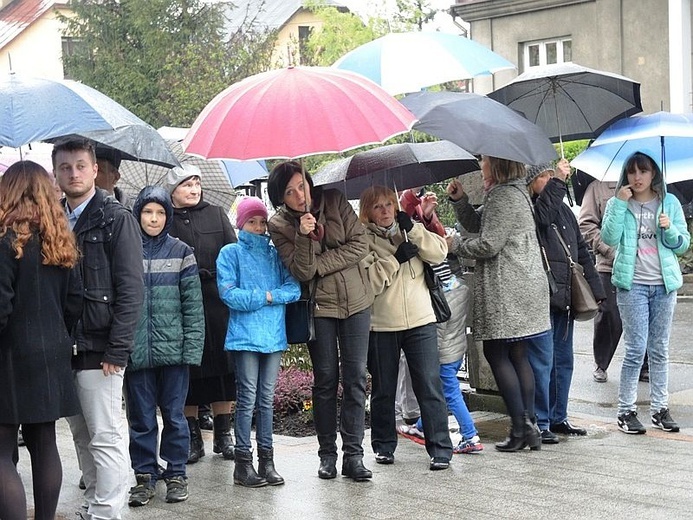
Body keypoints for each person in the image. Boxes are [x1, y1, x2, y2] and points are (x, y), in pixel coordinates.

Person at [52, 138, 145, 520]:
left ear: (95, 170)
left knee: (105, 436)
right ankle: (94, 503)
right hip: (64, 346)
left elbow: (131, 289)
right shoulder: (53, 217)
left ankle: (108, 511)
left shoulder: (115, 217)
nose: (73, 173)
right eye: (65, 167)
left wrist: (117, 349)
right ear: (55, 173)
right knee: (81, 436)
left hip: (101, 346)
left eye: (80, 166)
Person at [267, 161, 374, 482]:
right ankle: (327, 454)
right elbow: (301, 271)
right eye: (290, 192)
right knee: (326, 380)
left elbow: (360, 244)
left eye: (302, 186)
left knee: (355, 377)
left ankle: (354, 455)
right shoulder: (279, 225)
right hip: (319, 309)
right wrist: (303, 237)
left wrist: (321, 264)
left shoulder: (335, 200)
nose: (300, 195)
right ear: (280, 198)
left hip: (357, 300)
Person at [447, 155, 550, 452]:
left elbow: (489, 243)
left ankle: (521, 426)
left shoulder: (505, 195)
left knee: (496, 350)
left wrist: (455, 245)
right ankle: (527, 427)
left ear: (499, 165)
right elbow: (481, 223)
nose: (481, 166)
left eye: (485, 161)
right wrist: (461, 201)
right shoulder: (512, 192)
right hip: (521, 284)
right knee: (517, 353)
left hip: (509, 286)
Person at [0, 161, 82, 520]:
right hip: (52, 353)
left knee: (1, 452)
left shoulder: (5, 242)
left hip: (9, 355)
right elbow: (75, 301)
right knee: (44, 443)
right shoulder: (60, 242)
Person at [359, 185, 454, 471]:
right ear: (368, 213)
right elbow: (369, 283)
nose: (386, 210)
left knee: (429, 384)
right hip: (383, 324)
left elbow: (439, 253)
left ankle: (440, 449)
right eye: (378, 206)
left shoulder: (408, 227)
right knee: (384, 390)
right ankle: (384, 446)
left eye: (389, 204)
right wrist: (395, 258)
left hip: (420, 319)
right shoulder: (362, 239)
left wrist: (412, 229)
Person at [125, 186, 204, 507]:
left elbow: (193, 306)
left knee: (174, 416)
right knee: (141, 418)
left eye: (159, 212)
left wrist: (192, 348)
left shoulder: (182, 251)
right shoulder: (125, 250)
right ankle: (144, 476)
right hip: (136, 351)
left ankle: (176, 473)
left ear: (167, 215)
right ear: (138, 214)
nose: (154, 218)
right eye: (147, 212)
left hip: (174, 351)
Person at [601, 151, 690, 434]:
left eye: (643, 171)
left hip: (664, 286)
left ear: (654, 174)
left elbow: (682, 245)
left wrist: (671, 228)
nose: (637, 177)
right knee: (636, 349)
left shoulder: (669, 202)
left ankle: (659, 409)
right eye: (632, 172)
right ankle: (626, 411)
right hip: (633, 285)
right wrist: (618, 203)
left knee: (659, 348)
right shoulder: (620, 203)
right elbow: (608, 238)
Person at [217, 197, 300, 487]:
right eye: (252, 221)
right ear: (241, 223)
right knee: (247, 398)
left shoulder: (275, 254)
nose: (258, 226)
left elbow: (293, 288)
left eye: (262, 221)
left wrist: (269, 296)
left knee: (266, 400)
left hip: (274, 336)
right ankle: (243, 462)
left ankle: (268, 461)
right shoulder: (230, 253)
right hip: (244, 337)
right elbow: (228, 294)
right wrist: (265, 296)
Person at [395, 188, 482, 455]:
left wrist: (413, 209)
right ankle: (422, 425)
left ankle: (470, 435)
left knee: (447, 385)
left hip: (444, 330)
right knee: (443, 384)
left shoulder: (427, 262)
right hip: (455, 322)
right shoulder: (446, 267)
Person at [525, 160, 605, 444]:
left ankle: (559, 417)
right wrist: (558, 181)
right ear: (532, 181)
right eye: (544, 177)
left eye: (551, 176)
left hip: (566, 297)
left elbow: (581, 251)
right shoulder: (532, 208)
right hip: (543, 297)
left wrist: (596, 289)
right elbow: (541, 219)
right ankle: (541, 421)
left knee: (564, 360)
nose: (549, 180)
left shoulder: (565, 212)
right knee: (542, 362)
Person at [166, 164, 238, 463]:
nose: (194, 189)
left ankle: (224, 435)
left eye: (196, 183)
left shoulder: (216, 213)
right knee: (190, 370)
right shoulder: (165, 218)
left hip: (216, 300)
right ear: (173, 190)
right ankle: (192, 437)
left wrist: (226, 282)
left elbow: (233, 252)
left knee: (223, 368)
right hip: (183, 303)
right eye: (186, 184)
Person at [579, 179, 650, 383]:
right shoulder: (596, 188)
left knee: (643, 315)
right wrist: (610, 250)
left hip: (643, 266)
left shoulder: (645, 183)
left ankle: (645, 364)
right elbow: (586, 224)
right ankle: (601, 363)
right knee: (608, 315)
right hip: (609, 264)